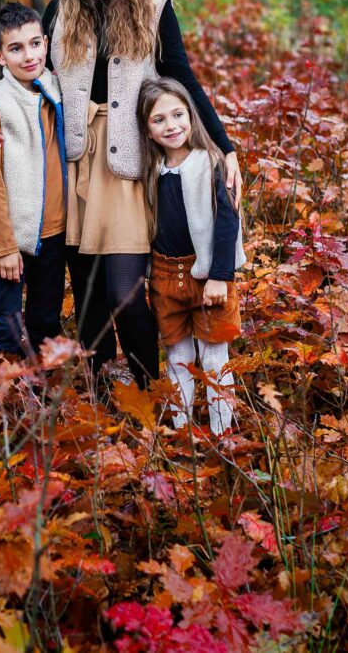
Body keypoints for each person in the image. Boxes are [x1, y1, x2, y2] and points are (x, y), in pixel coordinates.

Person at [0, 0, 242, 388]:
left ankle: (146, 384)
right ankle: (98, 386)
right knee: (89, 290)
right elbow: (30, 77)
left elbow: (184, 79)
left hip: (128, 162)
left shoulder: (155, 5)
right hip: (70, 160)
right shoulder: (59, 10)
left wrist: (227, 147)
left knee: (125, 291)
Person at [137, 77, 244, 434]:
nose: (171, 125)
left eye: (178, 114)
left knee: (214, 359)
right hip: (166, 277)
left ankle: (221, 434)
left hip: (208, 276)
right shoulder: (150, 171)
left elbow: (228, 220)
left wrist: (220, 275)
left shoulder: (211, 162)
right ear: (147, 130)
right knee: (178, 359)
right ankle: (183, 432)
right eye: (159, 120)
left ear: (192, 116)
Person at [0, 3, 67, 357]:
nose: (29, 56)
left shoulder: (58, 87)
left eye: (35, 44)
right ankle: (3, 399)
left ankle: (45, 398)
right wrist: (3, 247)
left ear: (46, 43)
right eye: (16, 48)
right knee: (5, 325)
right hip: (10, 237)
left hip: (55, 233)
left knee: (46, 319)